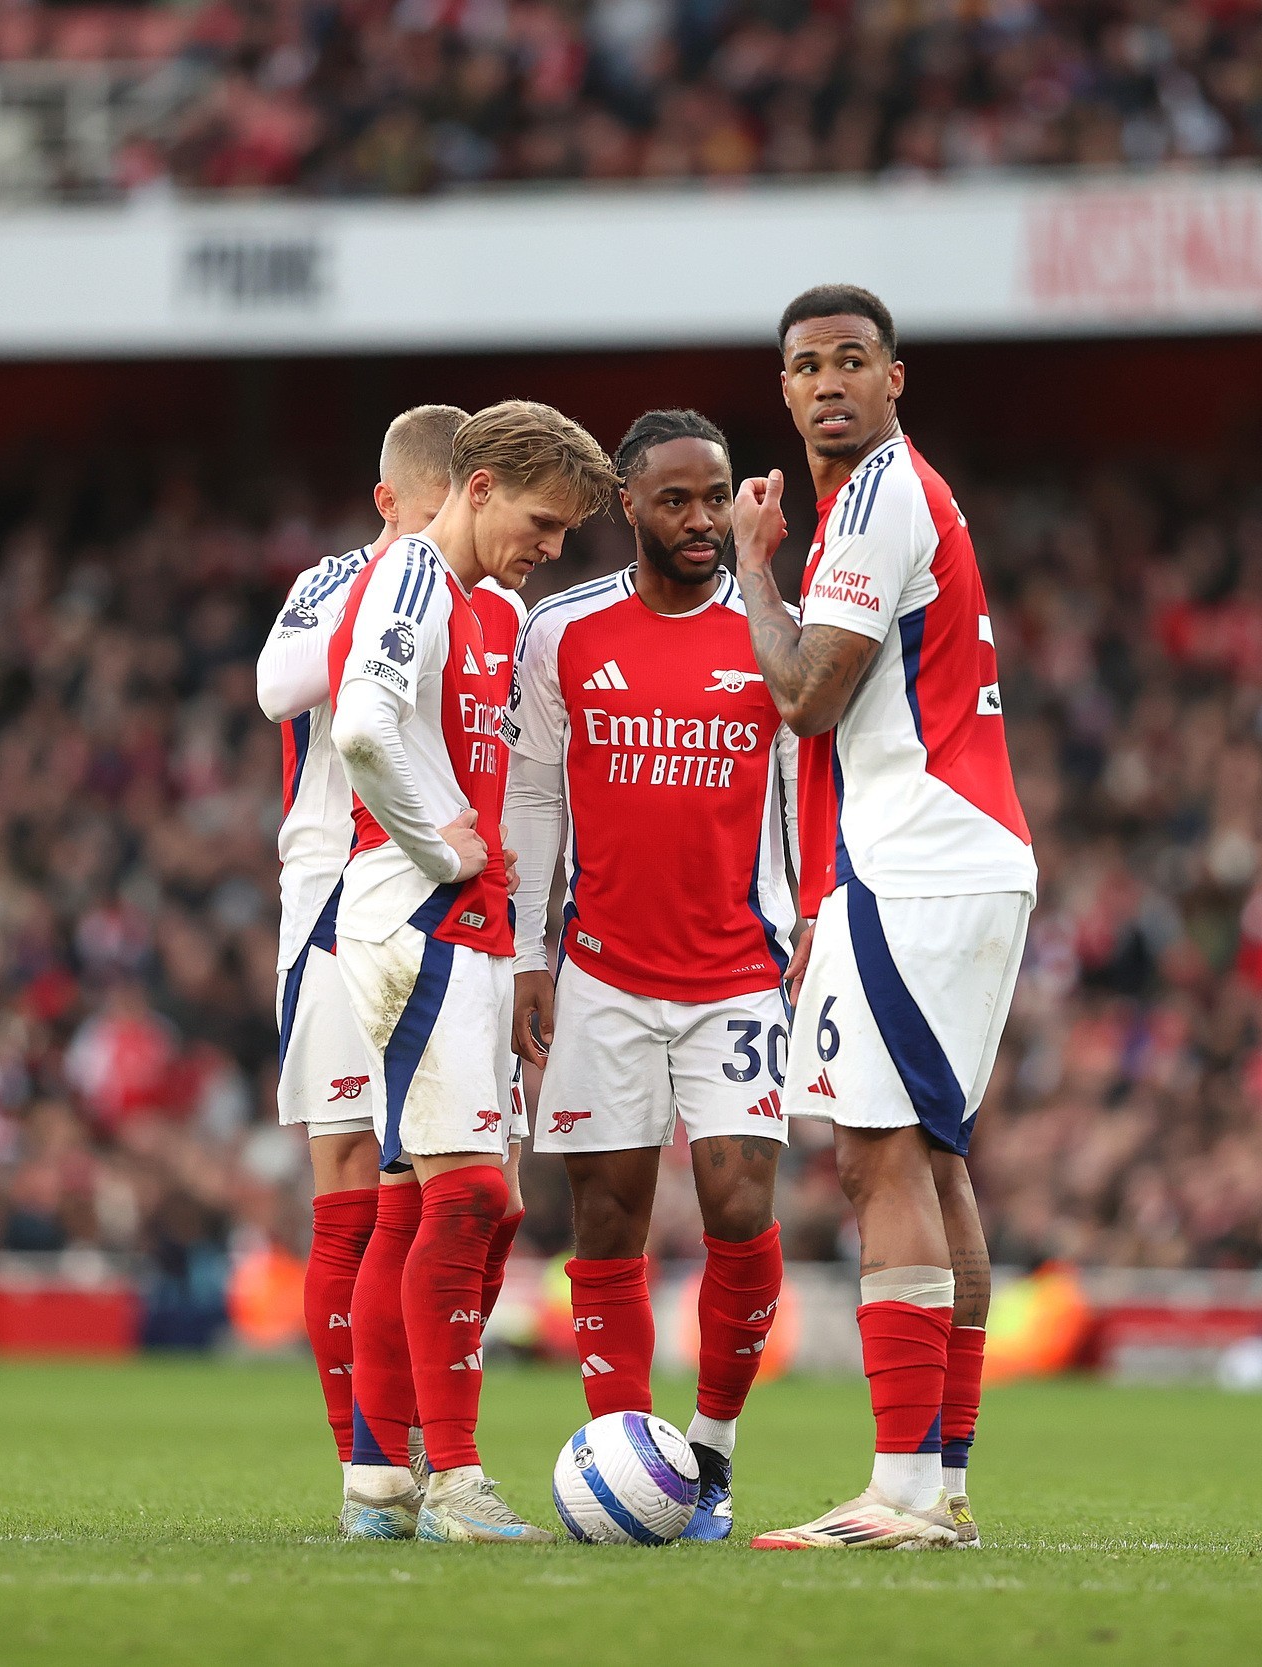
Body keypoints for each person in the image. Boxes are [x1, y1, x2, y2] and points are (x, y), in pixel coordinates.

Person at [728, 285, 1036, 1551]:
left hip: (915, 859)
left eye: (856, 360)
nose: (832, 381)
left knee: (877, 1155)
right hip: (948, 857)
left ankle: (903, 1485)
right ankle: (942, 1480)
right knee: (933, 1158)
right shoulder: (889, 498)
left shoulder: (875, 497)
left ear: (894, 379)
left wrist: (751, 564)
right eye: (809, 366)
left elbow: (804, 695)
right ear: (788, 390)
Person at [325, 399, 619, 1543]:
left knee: (417, 1202)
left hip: (475, 929)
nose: (552, 549)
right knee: (475, 1194)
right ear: (480, 483)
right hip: (419, 918)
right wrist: (432, 833)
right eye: (544, 521)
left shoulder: (493, 608)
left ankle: (376, 1480)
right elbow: (360, 726)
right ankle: (451, 1475)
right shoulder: (411, 580)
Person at [504, 408, 798, 1541]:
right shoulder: (560, 630)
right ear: (626, 503)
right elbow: (533, 796)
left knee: (738, 1205)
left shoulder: (772, 630)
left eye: (713, 495)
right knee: (609, 1221)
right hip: (600, 973)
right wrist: (530, 952)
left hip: (735, 971)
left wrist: (808, 919)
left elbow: (804, 795)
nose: (699, 519)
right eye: (673, 499)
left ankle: (711, 1457)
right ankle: (626, 1460)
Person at [259, 404, 523, 1532]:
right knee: (356, 1194)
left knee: (460, 1192)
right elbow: (278, 685)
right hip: (336, 899)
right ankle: (369, 1466)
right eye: (423, 519)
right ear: (398, 503)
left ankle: (416, 1442)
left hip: (448, 910)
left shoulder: (490, 602)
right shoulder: (346, 581)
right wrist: (393, 604)